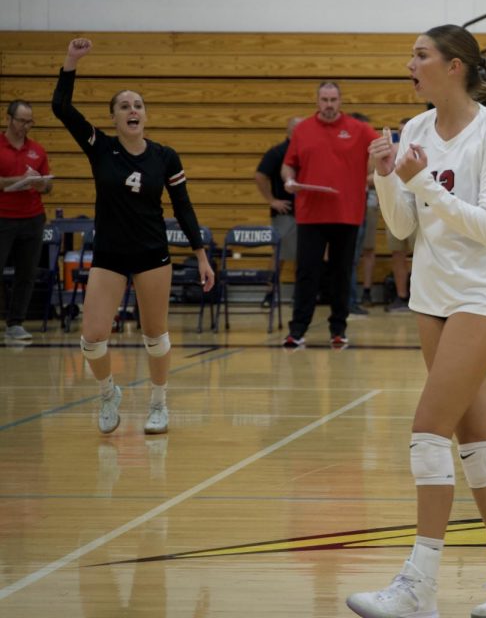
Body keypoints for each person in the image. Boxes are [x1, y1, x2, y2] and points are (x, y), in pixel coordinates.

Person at [346, 25, 486, 618]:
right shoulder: (418, 130)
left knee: (428, 432)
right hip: (433, 299)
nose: (410, 63)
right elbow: (404, 227)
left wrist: (420, 180)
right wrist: (384, 173)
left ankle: (418, 585)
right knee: (476, 445)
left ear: (454, 67)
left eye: (420, 55)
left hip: (484, 297)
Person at [51, 38, 215, 435]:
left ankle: (158, 403)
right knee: (91, 338)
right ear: (113, 118)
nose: (132, 110)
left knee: (155, 335)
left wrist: (201, 254)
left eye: (138, 105)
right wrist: (72, 60)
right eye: (124, 106)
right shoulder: (100, 148)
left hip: (152, 254)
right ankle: (108, 393)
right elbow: (60, 108)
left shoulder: (164, 156)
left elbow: (184, 207)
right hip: (109, 254)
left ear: (145, 115)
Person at [280, 81, 376, 350]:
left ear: (341, 101)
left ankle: (338, 329)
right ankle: (297, 331)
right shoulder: (303, 130)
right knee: (307, 273)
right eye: (325, 99)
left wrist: (376, 175)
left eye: (333, 99)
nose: (329, 104)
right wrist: (289, 180)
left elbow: (384, 149)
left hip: (347, 214)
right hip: (311, 214)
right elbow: (288, 166)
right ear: (317, 101)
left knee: (341, 273)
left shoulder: (358, 129)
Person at [0, 99, 53, 342]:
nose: (25, 126)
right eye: (21, 120)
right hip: (3, 218)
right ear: (8, 119)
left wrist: (42, 182)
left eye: (29, 121)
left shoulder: (38, 150)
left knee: (26, 273)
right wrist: (17, 180)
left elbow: (48, 186)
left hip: (32, 218)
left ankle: (16, 323)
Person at [254, 116, 302, 308]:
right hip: (286, 213)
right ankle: (269, 294)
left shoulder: (306, 151)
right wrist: (272, 200)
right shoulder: (277, 152)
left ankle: (299, 296)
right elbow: (259, 175)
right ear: (290, 131)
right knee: (279, 254)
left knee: (303, 256)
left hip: (306, 212)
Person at [347, 112, 378, 316]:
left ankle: (350, 301)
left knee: (355, 256)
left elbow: (374, 176)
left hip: (361, 206)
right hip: (348, 209)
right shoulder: (348, 153)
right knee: (348, 257)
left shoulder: (366, 153)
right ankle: (348, 302)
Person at [384, 119, 413, 313]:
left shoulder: (418, 149)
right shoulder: (391, 151)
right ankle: (401, 296)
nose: (403, 134)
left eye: (406, 131)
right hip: (395, 206)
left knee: (422, 253)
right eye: (400, 131)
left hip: (418, 207)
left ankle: (420, 296)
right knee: (397, 254)